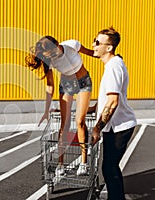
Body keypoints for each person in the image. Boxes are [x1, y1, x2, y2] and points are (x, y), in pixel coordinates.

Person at [25, 36, 94, 176]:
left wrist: (111, 57)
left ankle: (83, 163)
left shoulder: (72, 45)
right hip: (66, 85)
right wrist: (46, 110)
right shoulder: (49, 61)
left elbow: (92, 53)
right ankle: (60, 164)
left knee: (80, 121)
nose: (53, 57)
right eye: (49, 56)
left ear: (57, 44)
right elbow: (50, 86)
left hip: (84, 82)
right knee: (65, 124)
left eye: (53, 53)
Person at [91, 27, 137, 200]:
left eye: (97, 42)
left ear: (108, 48)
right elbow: (107, 97)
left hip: (120, 126)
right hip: (116, 126)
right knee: (109, 167)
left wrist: (96, 128)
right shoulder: (115, 64)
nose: (93, 45)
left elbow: (112, 102)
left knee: (110, 167)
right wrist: (94, 108)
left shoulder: (113, 67)